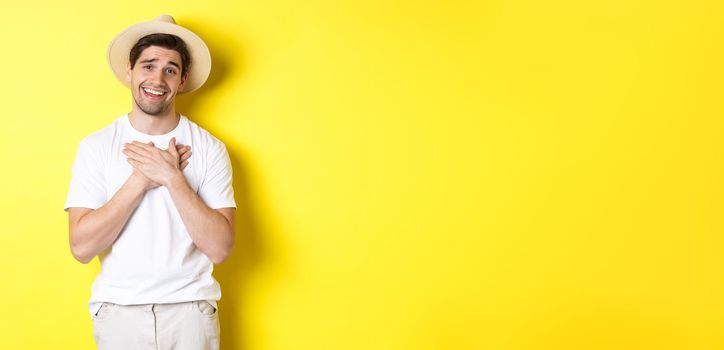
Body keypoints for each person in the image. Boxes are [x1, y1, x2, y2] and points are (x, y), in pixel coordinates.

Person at [64, 15, 235, 350]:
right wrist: (142, 179)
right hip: (118, 313)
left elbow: (220, 247)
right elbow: (81, 248)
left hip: (190, 312)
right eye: (148, 65)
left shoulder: (208, 148)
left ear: (182, 79)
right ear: (130, 71)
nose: (158, 78)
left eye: (170, 69)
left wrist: (173, 178)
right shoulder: (97, 146)